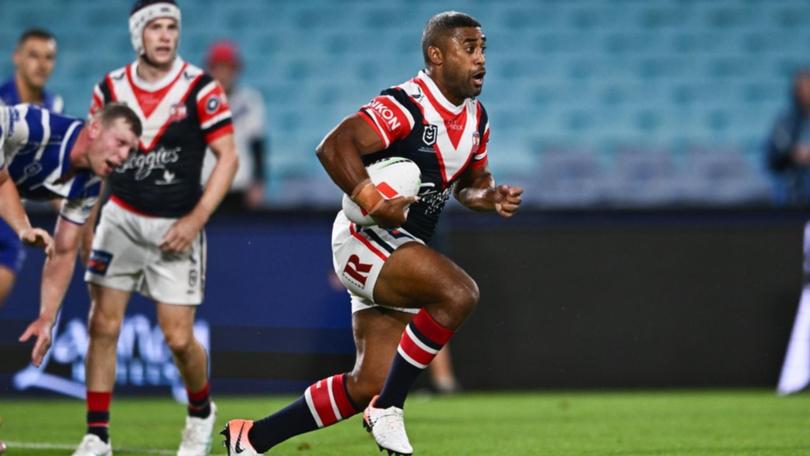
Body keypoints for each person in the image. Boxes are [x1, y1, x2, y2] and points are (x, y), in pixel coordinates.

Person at [223, 11, 523, 456]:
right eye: (469, 47)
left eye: (483, 49)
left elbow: (469, 184)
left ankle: (252, 438)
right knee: (459, 293)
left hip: (400, 245)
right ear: (436, 55)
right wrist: (371, 198)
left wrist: (489, 195)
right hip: (365, 236)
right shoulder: (407, 105)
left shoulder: (477, 119)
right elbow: (333, 146)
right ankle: (390, 408)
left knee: (368, 382)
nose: (481, 59)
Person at [65, 1, 238, 455]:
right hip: (118, 217)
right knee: (102, 323)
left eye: (171, 27)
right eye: (155, 28)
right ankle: (97, 434)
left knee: (179, 338)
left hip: (175, 225)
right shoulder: (110, 88)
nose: (165, 36)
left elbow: (229, 158)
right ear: (137, 34)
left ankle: (201, 412)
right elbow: (95, 158)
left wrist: (196, 219)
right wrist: (86, 222)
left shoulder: (200, 87)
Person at [7, 102, 140, 351]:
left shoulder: (89, 184)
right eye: (120, 143)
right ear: (95, 129)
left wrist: (47, 319)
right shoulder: (36, 127)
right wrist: (23, 227)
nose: (124, 157)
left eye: (131, 151)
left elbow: (65, 250)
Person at [0, 28, 63, 306]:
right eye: (33, 55)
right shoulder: (2, 105)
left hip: (11, 221)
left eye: (48, 57)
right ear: (17, 57)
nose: (41, 64)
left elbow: (48, 174)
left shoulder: (53, 108)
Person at [202, 40, 267, 212]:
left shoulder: (250, 101)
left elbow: (257, 143)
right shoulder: (198, 103)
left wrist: (258, 182)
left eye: (227, 68)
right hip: (207, 186)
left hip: (240, 186)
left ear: (235, 70)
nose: (223, 73)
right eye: (218, 67)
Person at [766, 69, 810, 206]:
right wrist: (793, 154)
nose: (804, 92)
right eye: (800, 87)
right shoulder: (786, 121)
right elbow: (773, 157)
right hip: (794, 192)